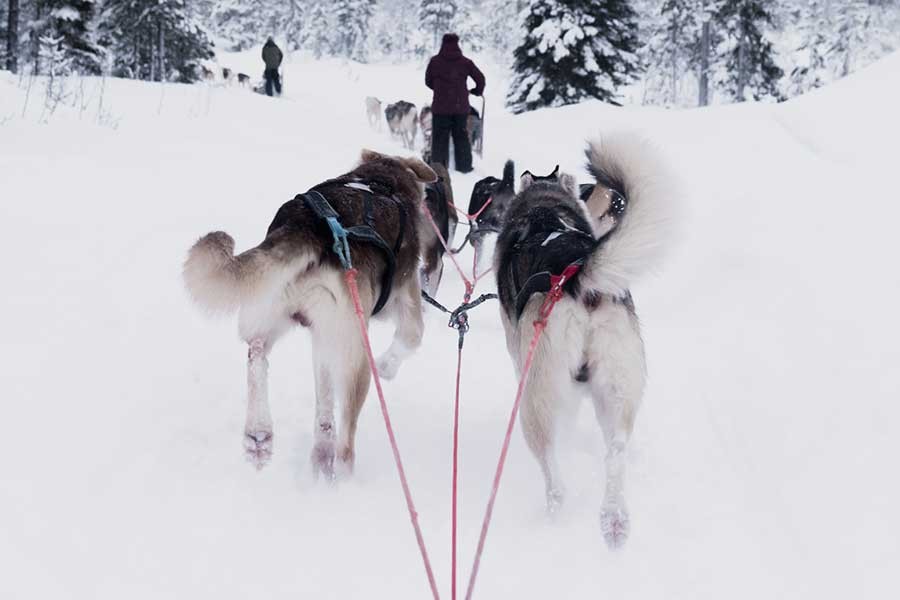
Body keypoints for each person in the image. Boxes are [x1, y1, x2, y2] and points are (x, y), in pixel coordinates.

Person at [425, 33, 485, 173]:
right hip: (460, 108)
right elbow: (480, 78)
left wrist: (440, 89)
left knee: (439, 139)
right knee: (461, 138)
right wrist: (476, 91)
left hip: (440, 108)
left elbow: (428, 81)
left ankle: (438, 170)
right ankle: (464, 168)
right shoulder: (465, 62)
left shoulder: (435, 62)